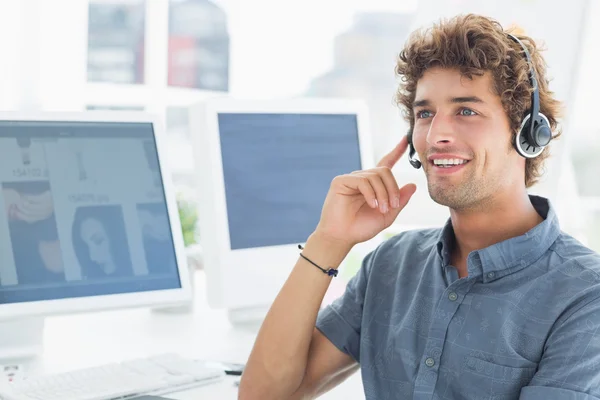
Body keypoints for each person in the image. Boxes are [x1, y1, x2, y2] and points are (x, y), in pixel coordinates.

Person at [238, 14, 600, 400]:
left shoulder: (583, 297)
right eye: (425, 113)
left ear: (528, 132)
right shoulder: (393, 263)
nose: (436, 134)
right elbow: (264, 395)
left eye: (466, 110)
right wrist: (328, 241)